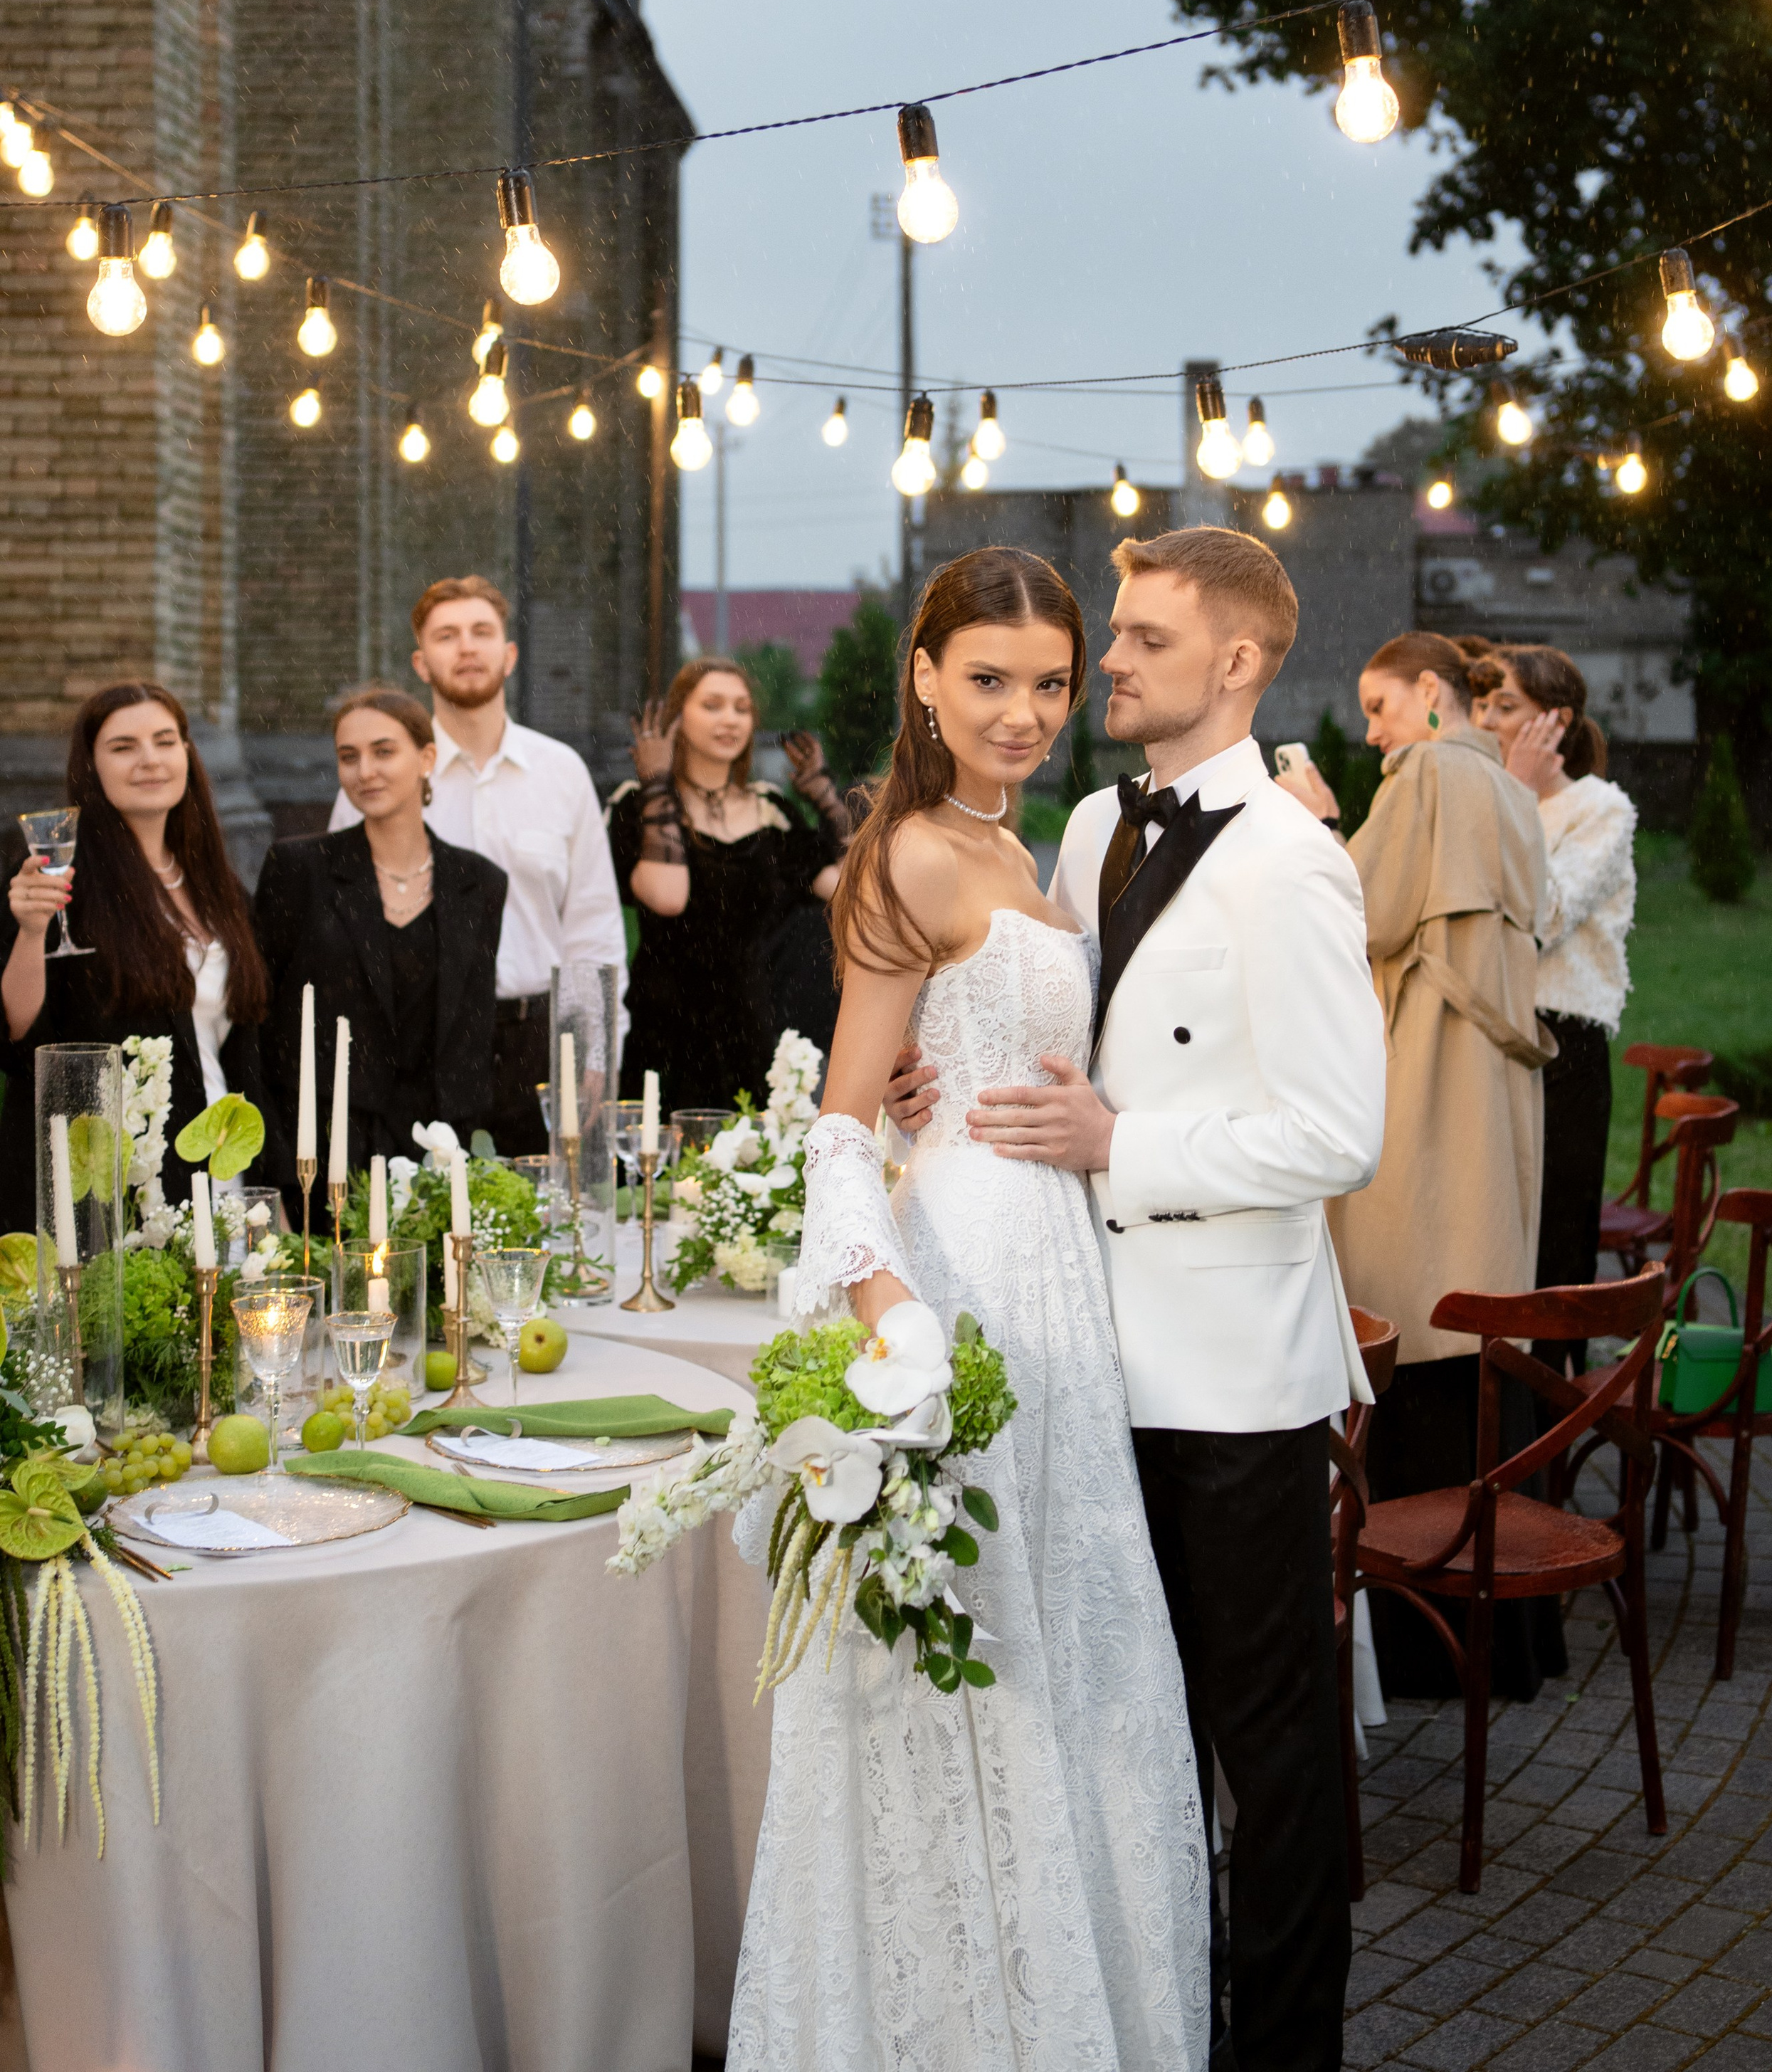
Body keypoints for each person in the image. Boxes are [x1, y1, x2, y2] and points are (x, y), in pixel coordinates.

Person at [729, 549, 1209, 2072]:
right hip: (967, 1282)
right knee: (980, 1669)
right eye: (988, 679)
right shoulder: (910, 857)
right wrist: (895, 1324)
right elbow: (835, 1128)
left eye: (1050, 683)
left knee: (1076, 1653)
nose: (1023, 712)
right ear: (924, 677)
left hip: (1064, 1278)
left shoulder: (1032, 846)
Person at [954, 526, 1386, 2072]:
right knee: (1132, 1730)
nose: (1111, 663)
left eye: (1144, 638)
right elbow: (1067, 1036)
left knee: (1270, 1751)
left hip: (1232, 1374)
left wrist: (1119, 1146)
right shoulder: (1088, 827)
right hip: (1090, 1354)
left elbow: (1338, 1135)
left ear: (1238, 662)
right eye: (1116, 634)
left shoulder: (1294, 861)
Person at [1277, 631, 1558, 1697]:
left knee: (1413, 1322)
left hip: (1432, 1090)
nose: (1371, 730)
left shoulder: (1430, 772)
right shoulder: (1510, 791)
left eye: (1381, 704)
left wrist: (1315, 828)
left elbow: (1359, 912)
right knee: (1477, 1338)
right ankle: (1509, 1640)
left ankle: (1422, 1643)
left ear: (1431, 692)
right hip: (1491, 1098)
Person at [327, 578, 625, 1156]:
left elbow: (592, 923)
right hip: (421, 1039)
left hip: (539, 1037)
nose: (466, 647)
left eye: (481, 632)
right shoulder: (380, 775)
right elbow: (347, 930)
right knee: (426, 1204)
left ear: (509, 655)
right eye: (447, 635)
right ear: (421, 662)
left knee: (549, 1204)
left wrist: (595, 1051)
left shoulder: (561, 772)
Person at [0, 683, 269, 1224]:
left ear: (187, 754)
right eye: (123, 747)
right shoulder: (58, 880)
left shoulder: (216, 885)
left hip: (219, 1168)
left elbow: (246, 1046)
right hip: (109, 1190)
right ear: (91, 766)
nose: (150, 759)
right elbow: (20, 1034)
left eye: (165, 741)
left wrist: (268, 1186)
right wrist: (30, 932)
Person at [258, 688, 507, 1185]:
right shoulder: (298, 870)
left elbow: (472, 1033)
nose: (364, 771)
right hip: (326, 1150)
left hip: (438, 1154)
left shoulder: (479, 883)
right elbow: (260, 1023)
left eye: (384, 751)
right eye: (349, 757)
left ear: (426, 759)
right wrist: (278, 1167)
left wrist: (468, 1164)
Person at [1475, 644, 1637, 1366]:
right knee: (1494, 1238)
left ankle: (1553, 1416)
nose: (1487, 719)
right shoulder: (1481, 795)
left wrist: (1516, 794)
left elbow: (1543, 919)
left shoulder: (1601, 808)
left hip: (1563, 1048)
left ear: (1555, 722)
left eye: (1506, 706)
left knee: (1555, 1246)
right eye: (1482, 704)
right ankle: (1496, 1407)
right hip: (1487, 1037)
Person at [608, 658, 850, 1109]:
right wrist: (658, 786)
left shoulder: (770, 811)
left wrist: (825, 798)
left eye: (742, 708)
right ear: (678, 718)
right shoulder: (636, 806)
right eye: (713, 705)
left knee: (748, 1148)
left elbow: (849, 892)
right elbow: (668, 896)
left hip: (750, 1028)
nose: (731, 719)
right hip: (664, 1028)